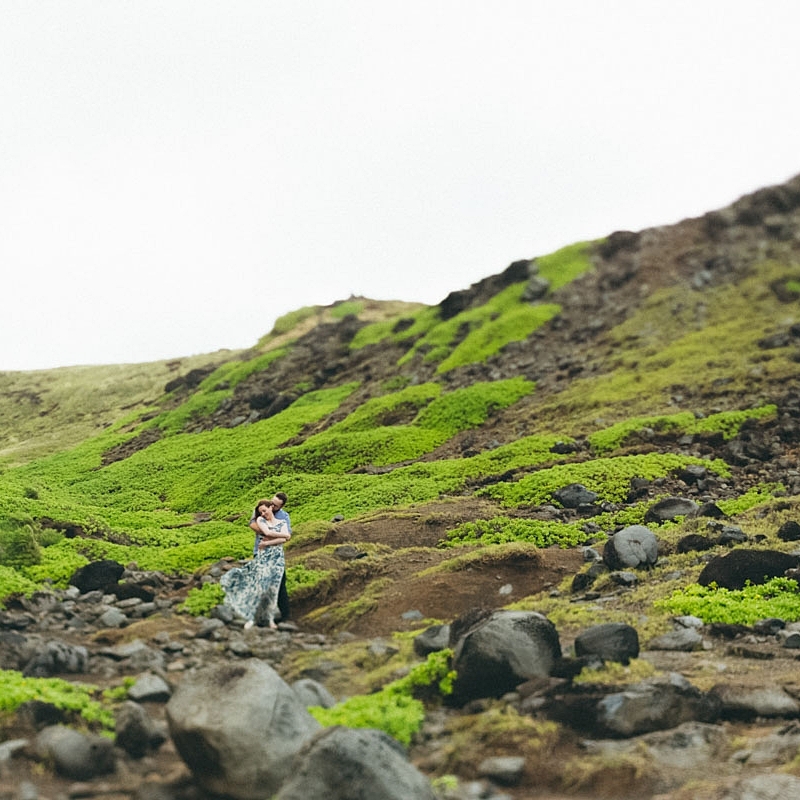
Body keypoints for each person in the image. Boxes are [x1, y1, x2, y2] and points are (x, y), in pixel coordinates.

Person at [221, 500, 290, 630]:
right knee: (259, 586)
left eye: (265, 510)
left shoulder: (283, 520)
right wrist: (281, 536)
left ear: (271, 507)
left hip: (278, 559)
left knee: (274, 590)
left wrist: (268, 542)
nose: (263, 514)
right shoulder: (261, 521)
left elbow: (285, 538)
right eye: (260, 512)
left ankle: (270, 619)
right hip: (263, 556)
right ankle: (251, 617)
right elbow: (271, 534)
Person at [249, 492, 292, 621]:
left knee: (280, 584)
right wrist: (274, 532)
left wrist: (271, 535)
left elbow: (287, 536)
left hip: (276, 554)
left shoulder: (284, 516)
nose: (272, 506)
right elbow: (253, 525)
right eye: (271, 503)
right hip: (260, 551)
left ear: (281, 506)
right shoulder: (261, 510)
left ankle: (285, 615)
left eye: (276, 506)